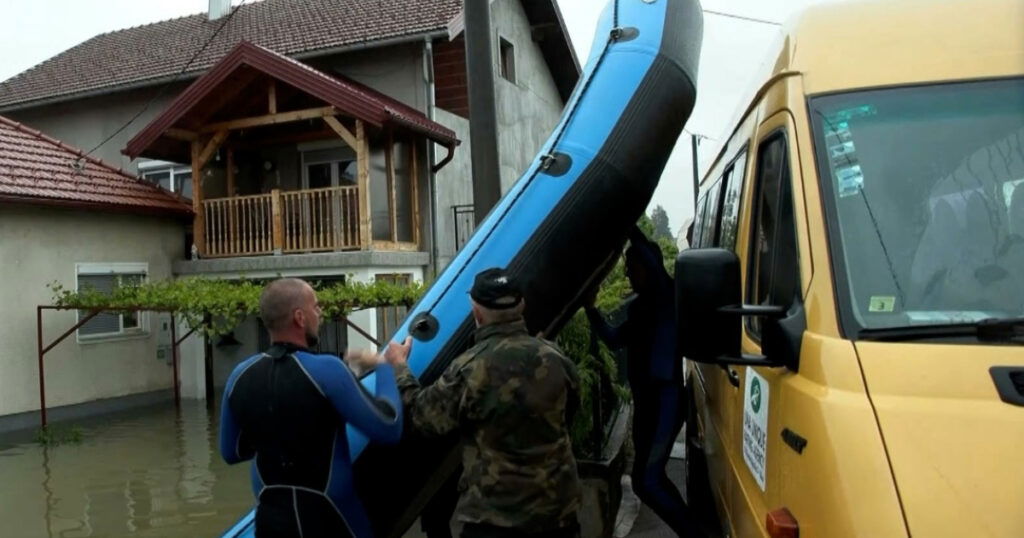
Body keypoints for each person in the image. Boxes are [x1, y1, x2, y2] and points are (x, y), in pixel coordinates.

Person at [384, 267, 582, 538]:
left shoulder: (469, 369)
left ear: (476, 312)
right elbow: (569, 412)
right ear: (521, 305)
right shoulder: (557, 360)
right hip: (558, 517)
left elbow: (423, 418)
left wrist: (400, 368)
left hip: (494, 522)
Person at [219, 278, 404, 538]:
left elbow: (232, 452)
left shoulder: (240, 375)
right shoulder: (327, 370)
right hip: (333, 520)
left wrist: (275, 436)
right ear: (299, 317)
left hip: (272, 523)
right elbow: (389, 427)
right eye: (316, 307)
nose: (320, 313)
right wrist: (386, 365)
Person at [584, 228, 706, 537]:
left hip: (666, 401)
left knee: (649, 480)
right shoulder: (639, 309)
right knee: (642, 482)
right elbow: (612, 340)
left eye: (632, 267)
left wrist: (625, 221)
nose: (628, 274)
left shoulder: (666, 295)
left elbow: (650, 259)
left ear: (648, 266)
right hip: (647, 404)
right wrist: (590, 307)